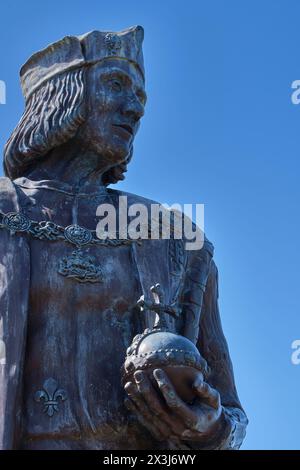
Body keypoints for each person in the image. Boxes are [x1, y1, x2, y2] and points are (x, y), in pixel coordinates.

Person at [0, 26, 247, 450]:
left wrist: (212, 429)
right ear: (62, 95)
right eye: (116, 84)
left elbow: (231, 413)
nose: (135, 108)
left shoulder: (176, 240)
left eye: (141, 96)